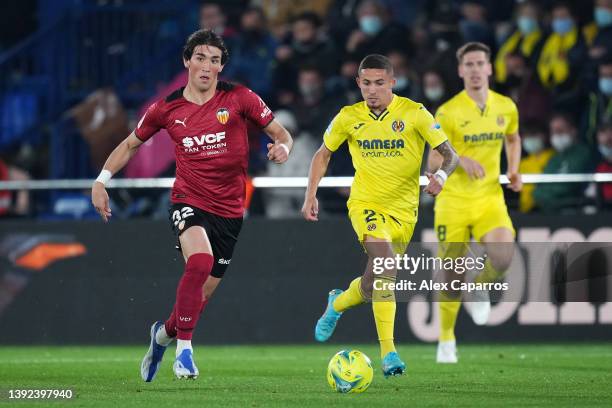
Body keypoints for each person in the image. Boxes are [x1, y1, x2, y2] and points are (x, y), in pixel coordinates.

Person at [91, 29, 293, 381]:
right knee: (200, 260)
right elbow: (130, 145)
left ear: (220, 67)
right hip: (189, 199)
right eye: (200, 58)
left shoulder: (240, 98)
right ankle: (184, 353)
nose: (206, 66)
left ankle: (161, 336)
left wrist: (283, 148)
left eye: (214, 60)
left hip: (230, 210)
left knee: (200, 298)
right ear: (187, 61)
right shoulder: (166, 108)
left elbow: (281, 133)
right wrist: (100, 181)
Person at [302, 54, 458, 377]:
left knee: (375, 283)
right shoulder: (348, 117)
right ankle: (389, 353)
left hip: (404, 212)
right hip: (366, 205)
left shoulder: (414, 113)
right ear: (358, 83)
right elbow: (323, 153)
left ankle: (339, 302)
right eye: (366, 83)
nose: (372, 90)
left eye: (379, 83)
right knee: (387, 267)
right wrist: (310, 194)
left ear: (392, 83)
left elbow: (450, 155)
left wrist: (440, 178)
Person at [428, 42, 522, 364]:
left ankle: (478, 287)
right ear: (460, 71)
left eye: (480, 63)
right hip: (453, 201)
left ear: (490, 68)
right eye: (468, 64)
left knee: (504, 255)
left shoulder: (506, 107)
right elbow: (431, 161)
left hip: (488, 199)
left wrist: (514, 169)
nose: (475, 70)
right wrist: (459, 159)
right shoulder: (448, 112)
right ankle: (446, 339)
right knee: (452, 275)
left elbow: (513, 137)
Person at [533, 112, 594, 212]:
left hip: (574, 212)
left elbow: (568, 186)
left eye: (560, 130)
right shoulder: (554, 158)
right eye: (553, 132)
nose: (557, 135)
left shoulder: (583, 154)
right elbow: (537, 191)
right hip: (549, 213)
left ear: (573, 131)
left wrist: (549, 197)